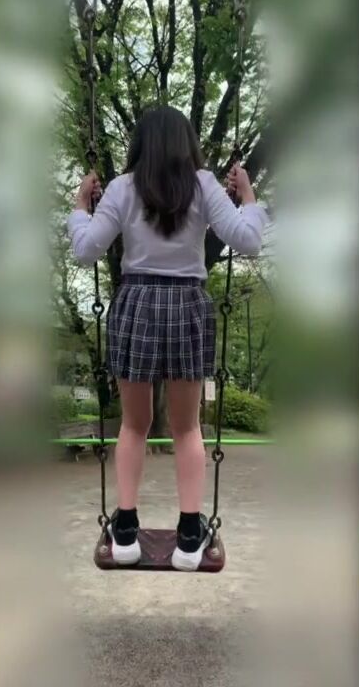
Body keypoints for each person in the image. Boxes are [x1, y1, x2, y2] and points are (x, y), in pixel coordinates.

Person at [68, 106, 268, 571]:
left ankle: (125, 533)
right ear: (186, 145)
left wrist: (80, 208)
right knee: (187, 427)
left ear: (141, 145)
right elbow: (249, 240)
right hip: (187, 305)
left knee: (133, 425)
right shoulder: (204, 185)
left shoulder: (122, 188)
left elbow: (84, 250)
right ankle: (190, 537)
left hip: (137, 302)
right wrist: (248, 196)